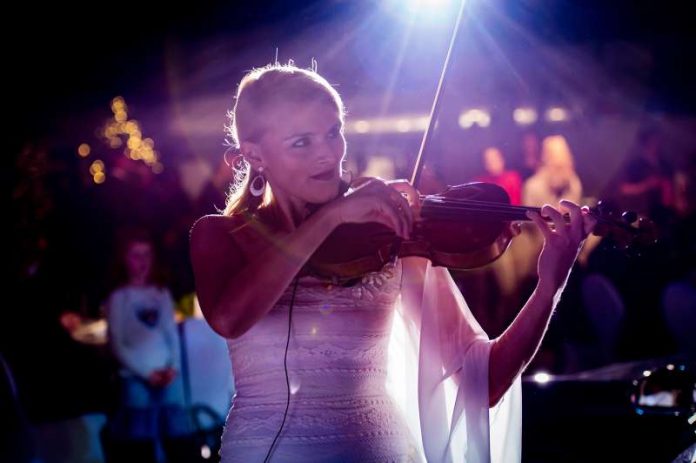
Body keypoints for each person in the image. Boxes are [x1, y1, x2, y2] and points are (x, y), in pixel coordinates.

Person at [189, 63, 596, 462]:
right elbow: (229, 318)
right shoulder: (220, 235)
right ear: (254, 155)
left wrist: (550, 287)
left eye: (334, 133)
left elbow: (485, 383)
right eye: (302, 142)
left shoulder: (387, 233)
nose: (328, 155)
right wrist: (333, 216)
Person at [105, 228, 188, 461]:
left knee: (176, 437)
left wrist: (173, 368)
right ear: (124, 258)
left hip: (168, 377)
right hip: (136, 378)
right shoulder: (118, 297)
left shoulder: (161, 293)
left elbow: (171, 336)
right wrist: (145, 373)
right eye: (135, 255)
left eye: (147, 254)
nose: (142, 262)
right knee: (140, 442)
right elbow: (117, 344)